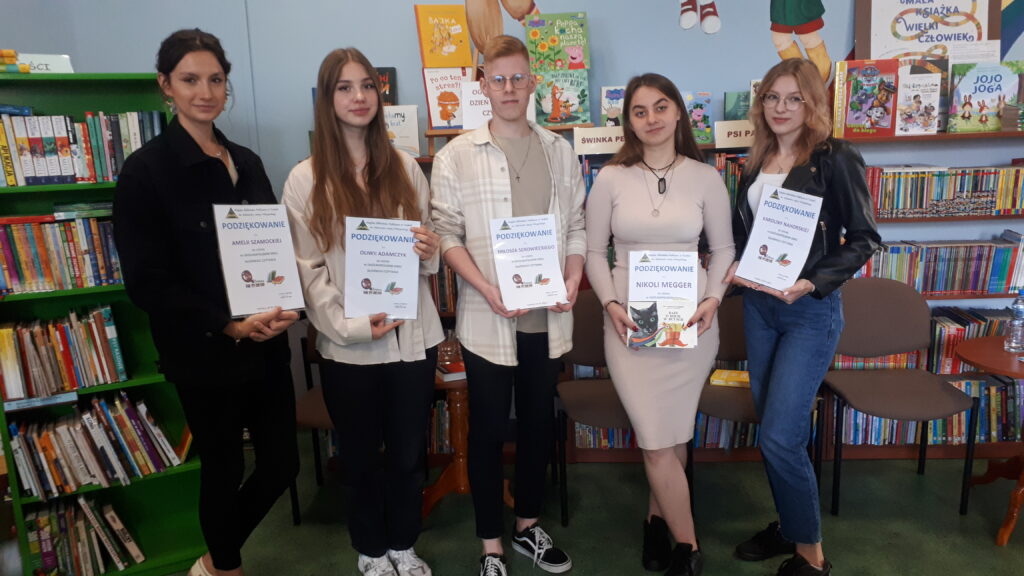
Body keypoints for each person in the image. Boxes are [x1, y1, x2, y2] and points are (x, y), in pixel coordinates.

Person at [112, 29, 300, 576]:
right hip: (204, 351)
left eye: (215, 80)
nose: (205, 92)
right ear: (165, 85)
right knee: (222, 468)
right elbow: (146, 281)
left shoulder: (247, 161)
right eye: (190, 79)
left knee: (282, 464)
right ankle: (226, 568)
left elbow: (272, 247)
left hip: (266, 342)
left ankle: (213, 561)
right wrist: (227, 324)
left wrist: (286, 303)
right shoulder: (145, 171)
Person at [282, 48, 443, 576]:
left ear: (379, 95)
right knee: (358, 456)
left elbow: (427, 253)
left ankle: (403, 543)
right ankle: (371, 550)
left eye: (368, 86)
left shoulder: (405, 168)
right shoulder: (304, 179)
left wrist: (429, 250)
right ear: (327, 100)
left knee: (407, 455)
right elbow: (309, 272)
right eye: (345, 87)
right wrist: (353, 327)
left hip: (411, 340)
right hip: (348, 349)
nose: (359, 97)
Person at [431, 35, 585, 576]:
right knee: (489, 430)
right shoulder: (456, 155)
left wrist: (574, 273)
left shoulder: (559, 151)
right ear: (483, 86)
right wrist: (485, 287)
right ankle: (490, 544)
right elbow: (445, 233)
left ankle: (527, 528)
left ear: (533, 82)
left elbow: (577, 225)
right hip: (486, 319)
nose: (510, 88)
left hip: (547, 317)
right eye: (498, 79)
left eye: (519, 77)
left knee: (539, 425)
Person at [724, 58, 880, 576]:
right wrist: (731, 268)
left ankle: (811, 556)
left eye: (794, 98)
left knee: (780, 437)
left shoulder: (835, 157)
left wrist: (812, 281)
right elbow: (746, 237)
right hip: (759, 308)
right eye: (772, 97)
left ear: (812, 103)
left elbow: (864, 239)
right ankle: (789, 527)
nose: (781, 108)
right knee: (773, 430)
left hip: (808, 310)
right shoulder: (756, 159)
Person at [584, 73, 734, 576]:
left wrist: (713, 299)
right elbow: (594, 252)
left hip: (690, 323)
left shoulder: (706, 177)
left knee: (669, 437)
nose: (651, 118)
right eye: (640, 110)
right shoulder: (610, 178)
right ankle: (689, 548)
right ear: (628, 121)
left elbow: (724, 250)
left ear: (678, 113)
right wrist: (610, 304)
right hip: (630, 325)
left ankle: (656, 524)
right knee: (654, 439)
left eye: (661, 106)